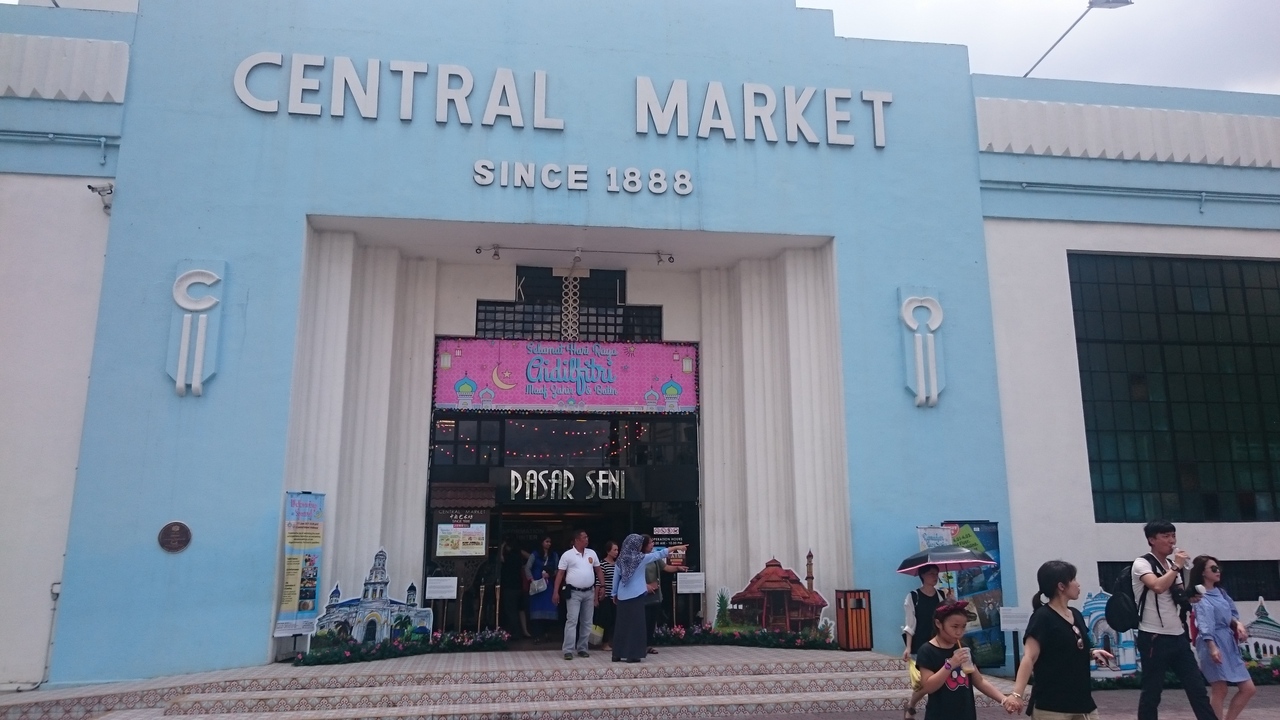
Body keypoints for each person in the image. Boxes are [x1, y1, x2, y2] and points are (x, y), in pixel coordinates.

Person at [1131, 520, 1215, 720]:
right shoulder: (1142, 563)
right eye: (1166, 536)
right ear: (1152, 540)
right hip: (1153, 636)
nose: (1172, 541)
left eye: (1173, 536)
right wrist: (1177, 566)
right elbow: (1158, 586)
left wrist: (1189, 597)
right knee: (1152, 692)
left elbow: (1176, 596)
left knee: (1197, 689)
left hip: (1178, 636)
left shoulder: (1170, 566)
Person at [1007, 560, 1114, 718]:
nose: (1078, 584)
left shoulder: (1076, 614)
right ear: (1061, 586)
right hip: (1052, 707)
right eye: (1073, 579)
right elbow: (1029, 657)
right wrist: (1017, 694)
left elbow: (1071, 648)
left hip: (1083, 703)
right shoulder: (1042, 617)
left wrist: (1092, 652)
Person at [915, 601, 1013, 720]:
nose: (959, 632)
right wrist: (950, 665)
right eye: (955, 627)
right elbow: (928, 686)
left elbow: (979, 681)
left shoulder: (963, 648)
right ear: (938, 623)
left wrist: (1003, 699)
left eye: (963, 627)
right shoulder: (927, 651)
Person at [1188, 555, 1256, 720]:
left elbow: (1231, 613)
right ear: (1202, 572)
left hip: (1228, 641)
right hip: (1211, 641)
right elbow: (1204, 623)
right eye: (1213, 568)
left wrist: (1238, 624)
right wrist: (1212, 647)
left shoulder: (1221, 592)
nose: (1218, 571)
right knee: (1220, 689)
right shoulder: (1200, 596)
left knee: (1248, 688)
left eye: (1218, 568)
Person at [611, 533, 687, 663]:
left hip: (622, 597)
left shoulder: (620, 560)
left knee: (622, 626)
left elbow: (616, 578)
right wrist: (676, 547)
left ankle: (617, 654)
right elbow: (660, 554)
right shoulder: (640, 558)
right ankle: (632, 655)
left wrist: (614, 594)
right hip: (636, 597)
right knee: (636, 626)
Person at [901, 564, 947, 719]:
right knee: (924, 682)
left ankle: (931, 708)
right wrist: (908, 647)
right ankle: (911, 705)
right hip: (920, 645)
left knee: (939, 678)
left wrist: (950, 602)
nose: (935, 577)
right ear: (922, 575)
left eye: (936, 573)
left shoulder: (941, 596)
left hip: (939, 643)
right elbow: (910, 624)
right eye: (931, 573)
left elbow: (946, 620)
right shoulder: (913, 597)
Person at [553, 529, 605, 660]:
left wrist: (603, 586)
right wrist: (555, 592)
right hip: (574, 592)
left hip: (589, 591)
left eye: (587, 537)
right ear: (576, 540)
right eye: (584, 537)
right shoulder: (567, 555)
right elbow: (560, 573)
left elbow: (598, 570)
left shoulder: (591, 553)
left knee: (587, 622)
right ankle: (568, 650)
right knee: (572, 620)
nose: (587, 539)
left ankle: (582, 648)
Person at [641, 534, 689, 654]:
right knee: (643, 621)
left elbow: (666, 567)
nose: (652, 544)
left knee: (652, 621)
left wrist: (678, 568)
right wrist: (644, 586)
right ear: (644, 545)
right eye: (650, 542)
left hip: (655, 594)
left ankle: (648, 645)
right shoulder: (638, 558)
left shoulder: (654, 557)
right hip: (643, 594)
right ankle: (640, 645)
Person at [524, 534, 558, 642]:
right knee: (536, 611)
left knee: (549, 609)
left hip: (548, 586)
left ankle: (547, 633)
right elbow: (527, 568)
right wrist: (531, 580)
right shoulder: (535, 554)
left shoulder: (554, 555)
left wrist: (550, 574)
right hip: (537, 587)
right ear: (542, 542)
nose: (549, 544)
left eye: (550, 542)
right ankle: (536, 635)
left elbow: (558, 569)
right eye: (546, 541)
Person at [597, 540, 619, 651]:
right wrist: (596, 598)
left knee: (615, 619)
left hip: (616, 596)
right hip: (605, 596)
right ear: (608, 551)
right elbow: (598, 582)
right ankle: (604, 642)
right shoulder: (602, 564)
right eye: (614, 550)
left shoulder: (618, 565)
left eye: (617, 550)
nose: (616, 552)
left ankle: (613, 642)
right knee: (606, 619)